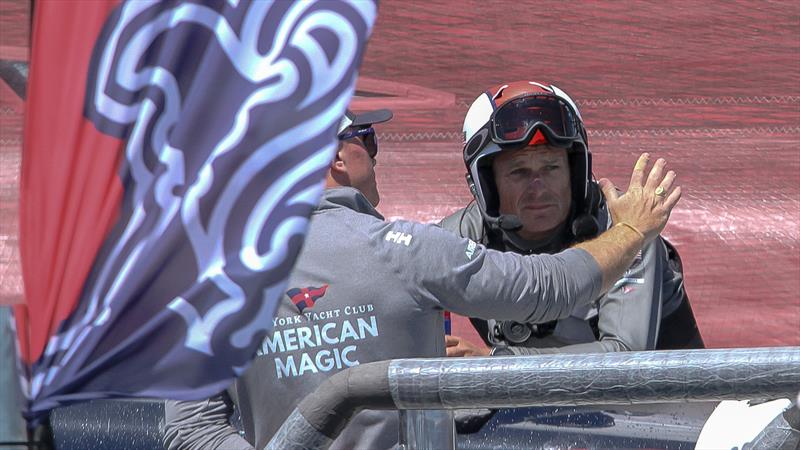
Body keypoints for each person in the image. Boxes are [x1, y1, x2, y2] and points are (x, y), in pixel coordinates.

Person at [164, 106, 682, 450]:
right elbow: (551, 289)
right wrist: (634, 228)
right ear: (336, 158)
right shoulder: (408, 253)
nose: (375, 150)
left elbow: (189, 431)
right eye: (366, 138)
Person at [441, 80, 704, 359]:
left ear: (575, 171)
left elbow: (626, 359)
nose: (538, 188)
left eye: (551, 167)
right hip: (522, 397)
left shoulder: (629, 230)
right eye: (518, 172)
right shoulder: (456, 238)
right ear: (486, 183)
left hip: (647, 400)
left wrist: (494, 363)